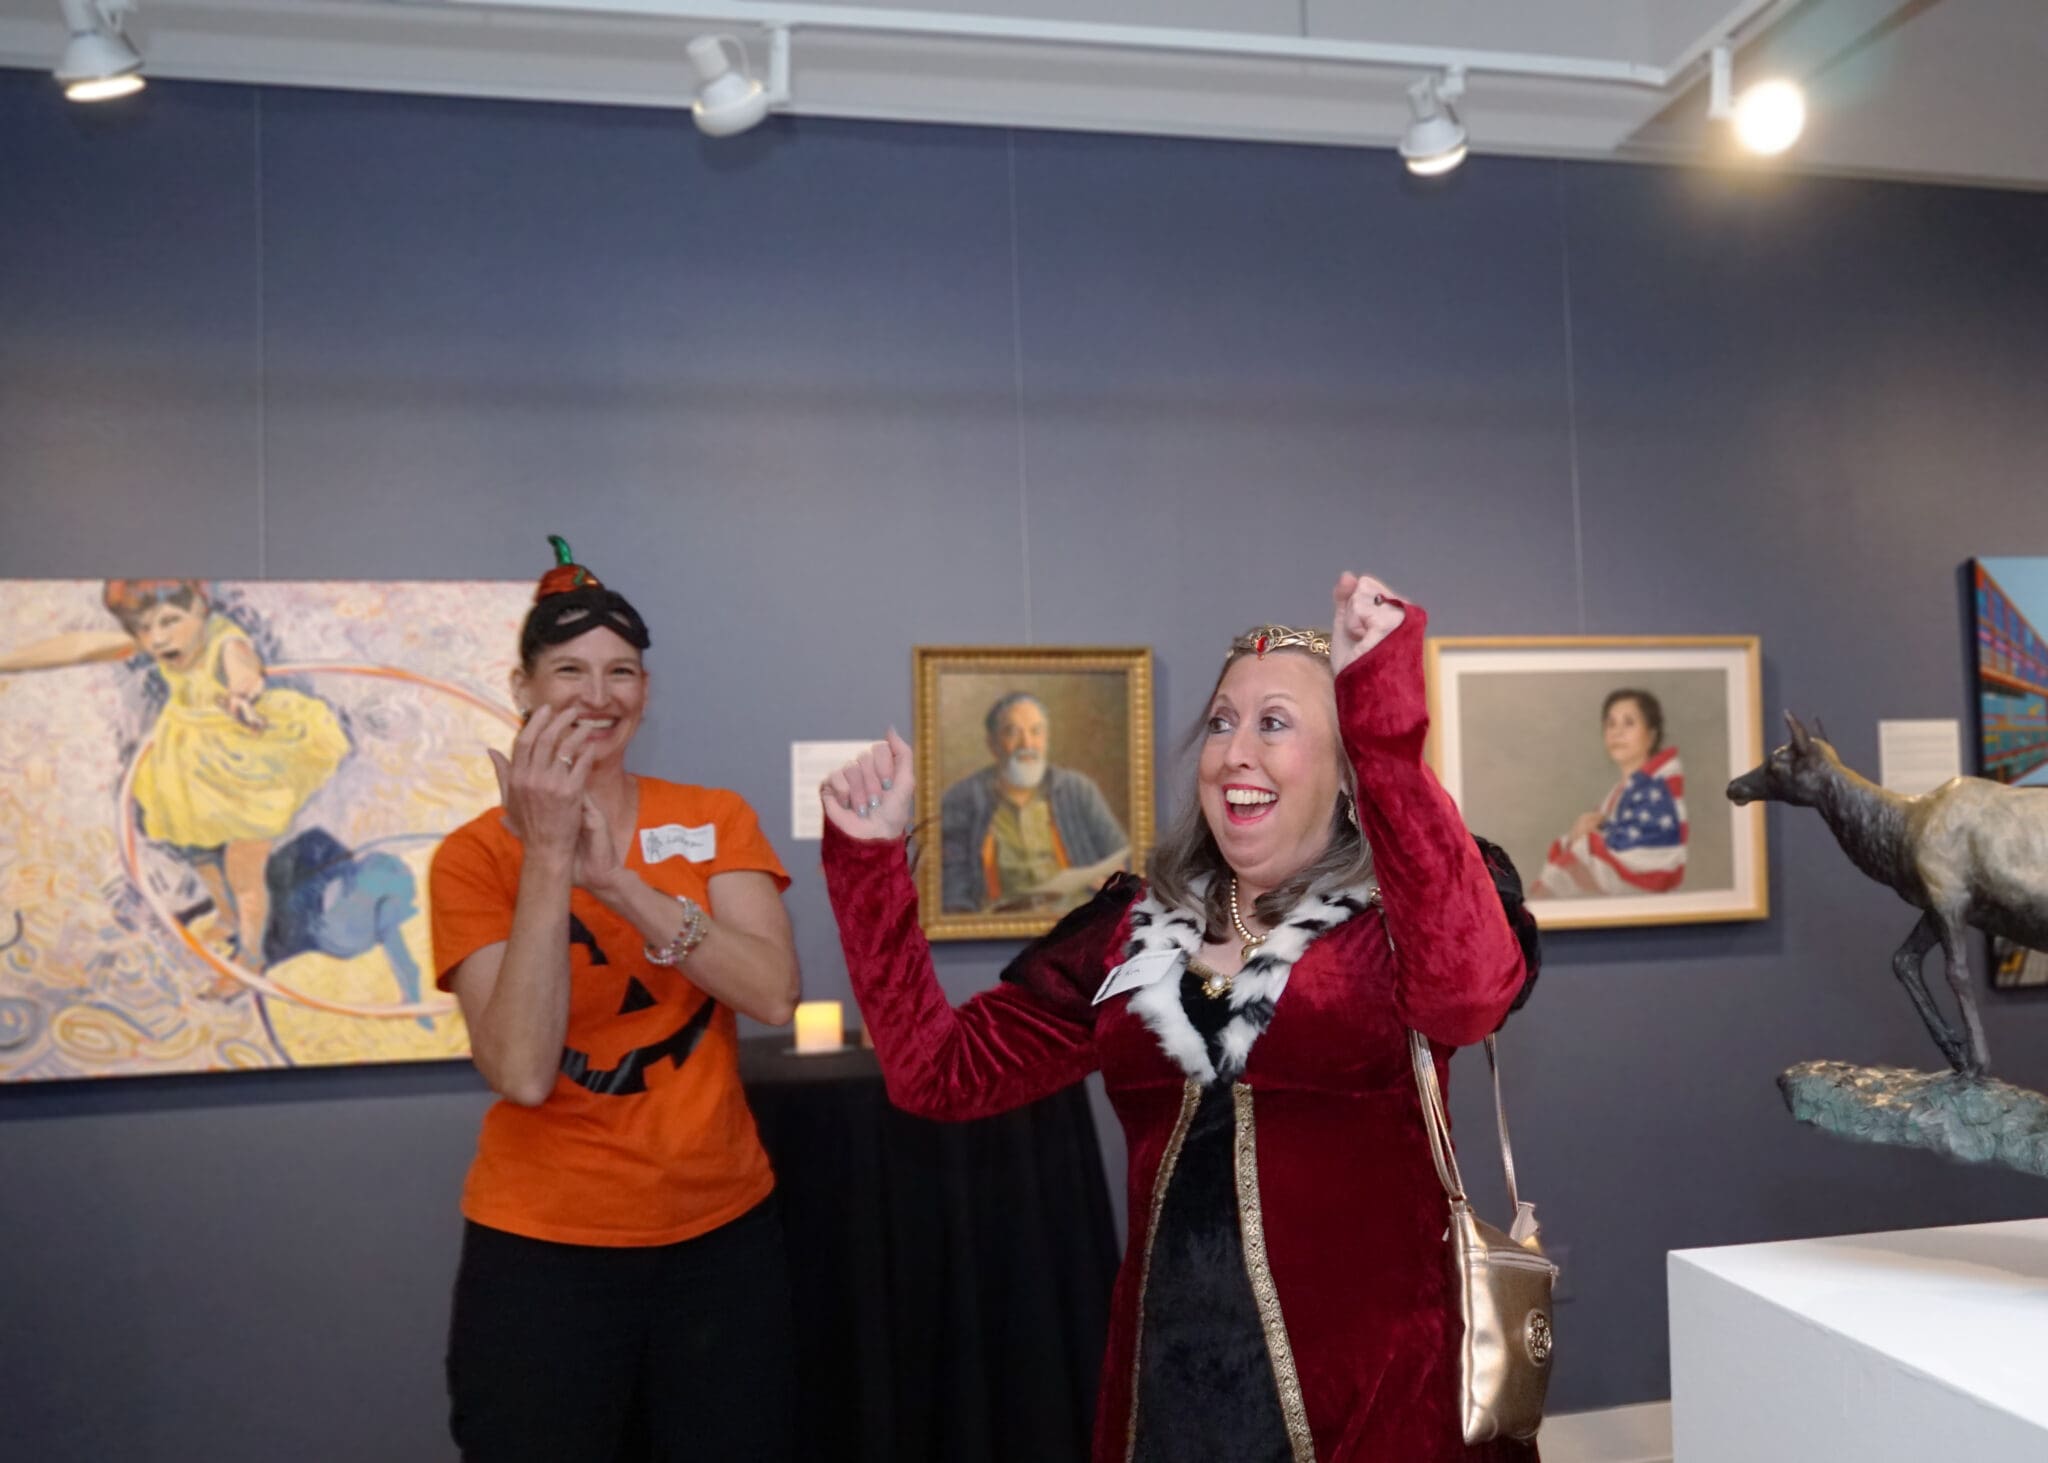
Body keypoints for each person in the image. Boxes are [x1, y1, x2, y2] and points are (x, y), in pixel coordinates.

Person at [820, 572, 1541, 1463]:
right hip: (1171, 1401)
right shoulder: (1133, 927)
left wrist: (1385, 722)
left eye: (1274, 723)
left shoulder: (1408, 910)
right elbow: (940, 1072)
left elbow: (1468, 996)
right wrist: (868, 864)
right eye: (1222, 722)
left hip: (1384, 1404)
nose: (1235, 751)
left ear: (1346, 761)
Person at [429, 538, 801, 1463]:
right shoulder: (473, 857)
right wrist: (550, 856)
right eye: (569, 670)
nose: (598, 695)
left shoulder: (714, 817)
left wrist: (621, 884)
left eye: (621, 671)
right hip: (543, 1249)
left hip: (721, 1237)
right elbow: (521, 1070)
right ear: (522, 688)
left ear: (645, 689)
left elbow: (772, 992)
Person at [0, 579, 350, 978]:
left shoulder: (224, 640)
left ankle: (250, 959)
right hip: (188, 761)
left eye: (169, 621)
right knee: (196, 850)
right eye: (144, 628)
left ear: (201, 610)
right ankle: (226, 917)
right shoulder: (159, 641)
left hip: (245, 762)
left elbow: (245, 671)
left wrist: (241, 696)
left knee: (244, 870)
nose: (158, 638)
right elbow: (80, 646)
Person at [939, 690, 1129, 912]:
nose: (1027, 743)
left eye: (1036, 731)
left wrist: (1114, 878)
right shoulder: (963, 799)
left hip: (1076, 919)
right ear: (992, 744)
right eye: (1012, 732)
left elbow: (1120, 855)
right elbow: (953, 888)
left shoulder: (1077, 790)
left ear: (1046, 739)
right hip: (998, 923)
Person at [1533, 688, 1687, 898]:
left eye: (1629, 723)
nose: (1617, 732)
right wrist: (1577, 836)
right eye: (1611, 724)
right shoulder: (1618, 795)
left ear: (1651, 735)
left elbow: (1644, 866)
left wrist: (1585, 841)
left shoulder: (1657, 794)